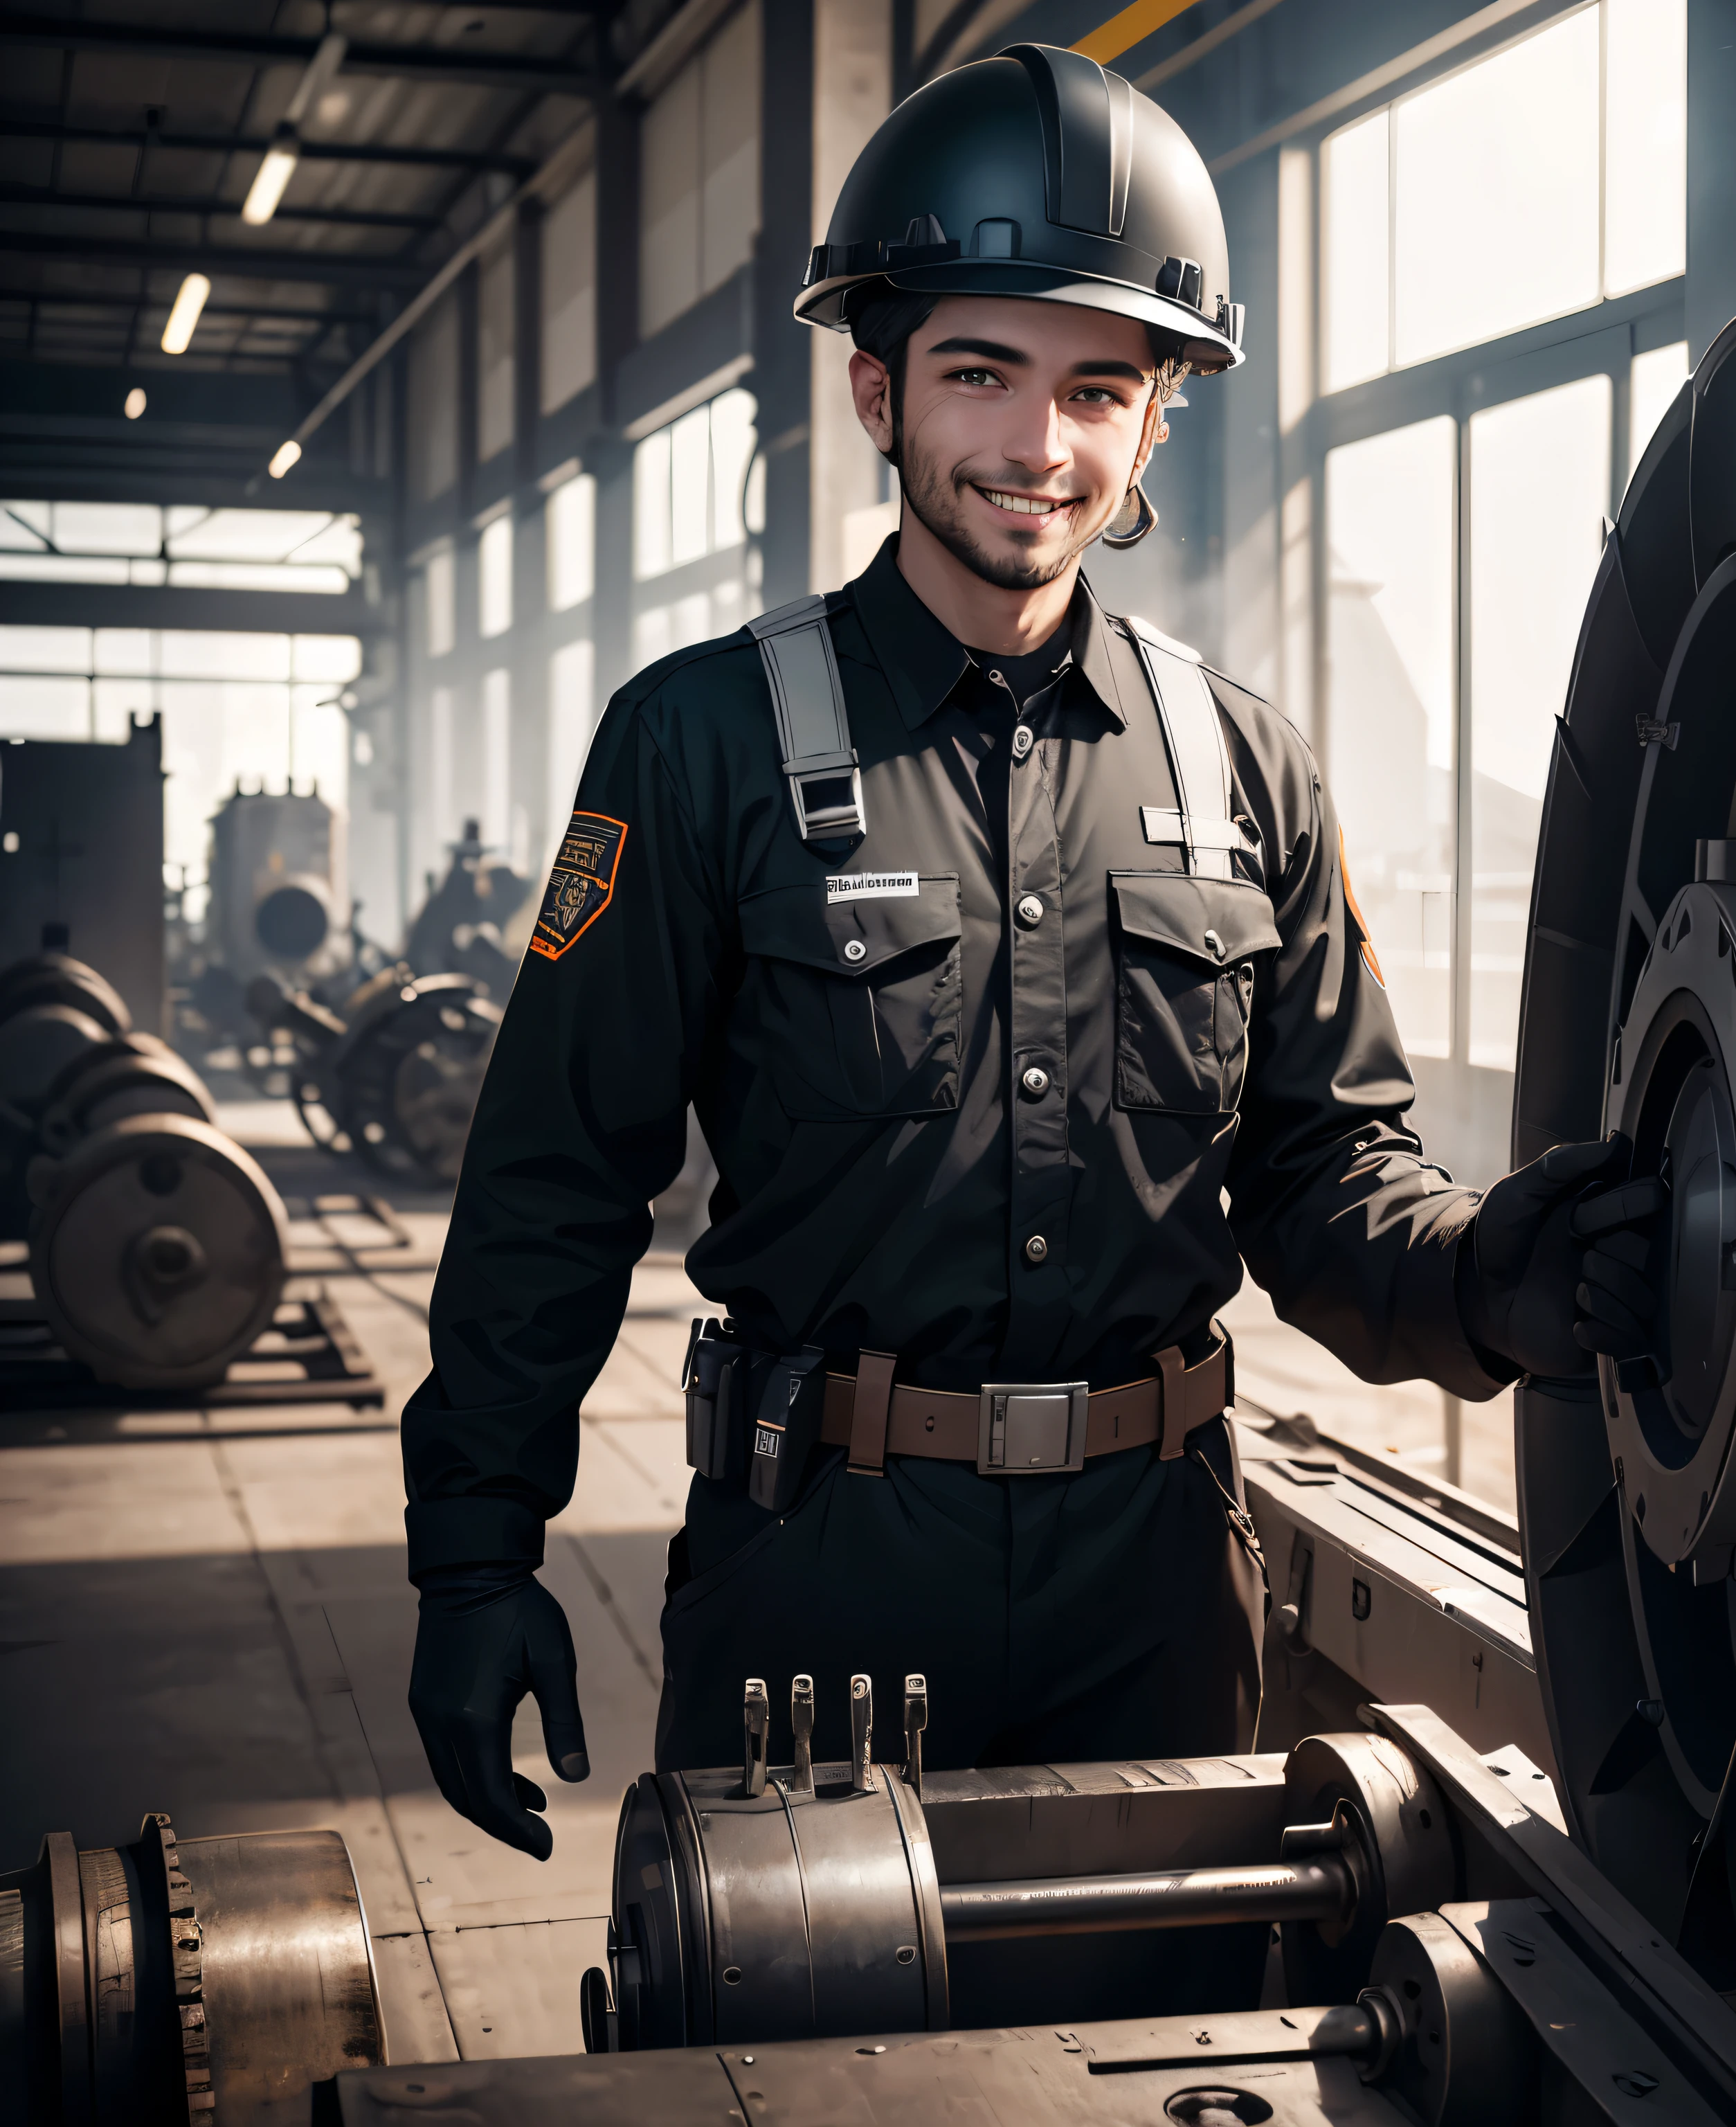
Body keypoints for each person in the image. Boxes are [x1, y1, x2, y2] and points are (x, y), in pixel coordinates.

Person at [403, 43, 1659, 1896]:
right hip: (822, 1589)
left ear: (1156, 421)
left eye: (1098, 388)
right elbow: (551, 1184)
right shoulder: (699, 748)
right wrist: (479, 1556)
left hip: (1149, 1603)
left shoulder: (1244, 770)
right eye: (982, 371)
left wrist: (1481, 1282)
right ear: (875, 387)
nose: (1037, 446)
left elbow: (1324, 1180)